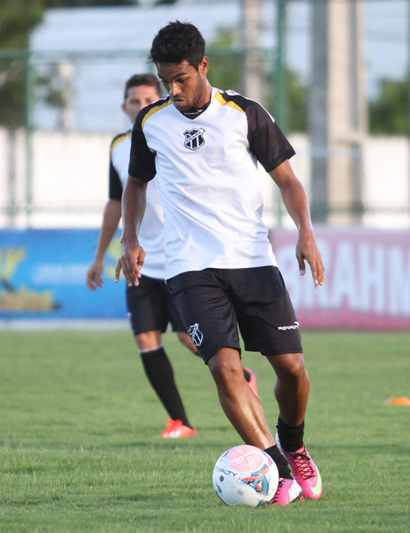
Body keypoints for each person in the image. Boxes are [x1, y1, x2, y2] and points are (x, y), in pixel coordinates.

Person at [116, 22, 326, 505]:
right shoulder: (151, 122)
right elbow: (135, 185)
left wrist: (306, 231)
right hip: (190, 268)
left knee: (292, 370)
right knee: (224, 368)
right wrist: (130, 239)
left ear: (203, 66)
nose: (174, 90)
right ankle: (277, 471)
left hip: (252, 260)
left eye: (182, 78)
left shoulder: (244, 114)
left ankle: (293, 445)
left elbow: (289, 181)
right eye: (166, 80)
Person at [87, 73, 258, 439]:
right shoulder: (120, 146)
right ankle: (181, 421)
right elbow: (117, 202)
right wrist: (100, 255)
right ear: (124, 107)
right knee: (146, 339)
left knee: (188, 339)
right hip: (141, 262)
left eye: (149, 98)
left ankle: (242, 378)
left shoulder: (176, 132)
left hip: (184, 261)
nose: (142, 106)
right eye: (135, 102)